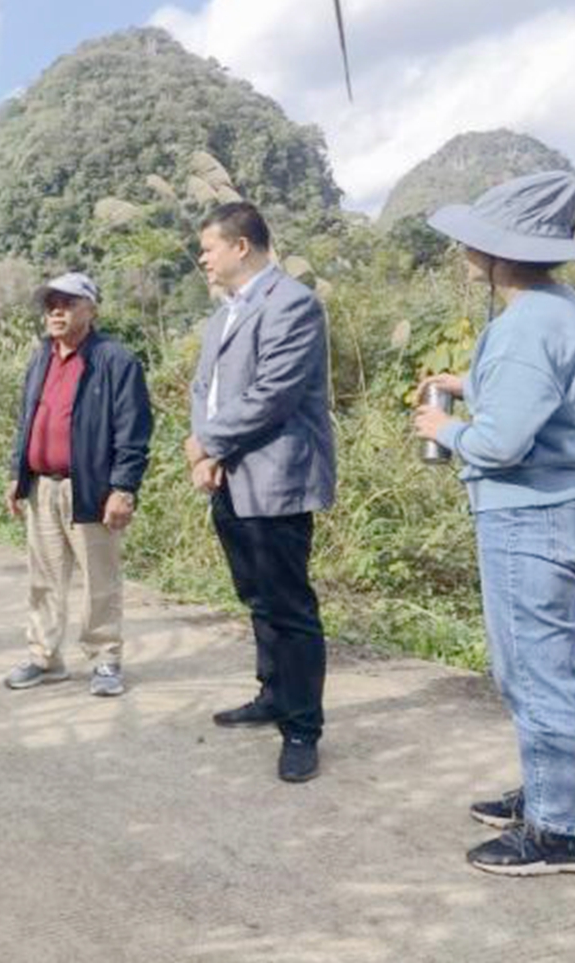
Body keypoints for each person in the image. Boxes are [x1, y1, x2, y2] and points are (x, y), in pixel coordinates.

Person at [411, 170, 575, 876]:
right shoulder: (564, 309)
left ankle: (559, 830)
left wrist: (448, 425)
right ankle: (548, 789)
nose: (466, 250)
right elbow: (549, 390)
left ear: (500, 252)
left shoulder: (527, 324)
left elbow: (501, 443)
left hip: (532, 515)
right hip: (565, 509)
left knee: (536, 667)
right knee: (536, 662)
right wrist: (472, 384)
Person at [185, 202, 336, 784]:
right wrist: (209, 449)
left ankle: (302, 727)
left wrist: (206, 444)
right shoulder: (223, 315)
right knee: (257, 595)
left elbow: (273, 392)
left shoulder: (292, 304)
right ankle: (272, 693)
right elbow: (207, 389)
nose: (203, 258)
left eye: (210, 247)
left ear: (241, 246)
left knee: (289, 604)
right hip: (230, 472)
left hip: (276, 477)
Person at [2, 272, 152, 697]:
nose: (56, 310)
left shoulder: (114, 360)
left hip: (90, 488)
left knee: (99, 579)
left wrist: (123, 488)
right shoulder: (41, 358)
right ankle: (45, 658)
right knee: (43, 578)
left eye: (67, 302)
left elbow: (133, 431)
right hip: (41, 488)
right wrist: (17, 474)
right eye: (50, 303)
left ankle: (105, 659)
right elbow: (27, 420)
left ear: (91, 308)